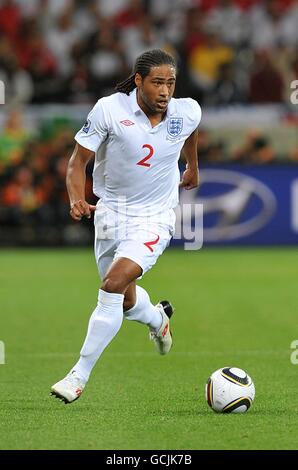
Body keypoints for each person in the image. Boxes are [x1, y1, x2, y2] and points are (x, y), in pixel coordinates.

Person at [51, 49, 202, 404]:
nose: (165, 91)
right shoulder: (109, 110)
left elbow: (191, 132)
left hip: (156, 215)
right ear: (138, 80)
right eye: (157, 83)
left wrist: (191, 166)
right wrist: (76, 197)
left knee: (113, 283)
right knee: (124, 300)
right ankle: (158, 319)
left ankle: (78, 374)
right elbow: (78, 162)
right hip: (111, 214)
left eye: (171, 83)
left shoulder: (186, 110)